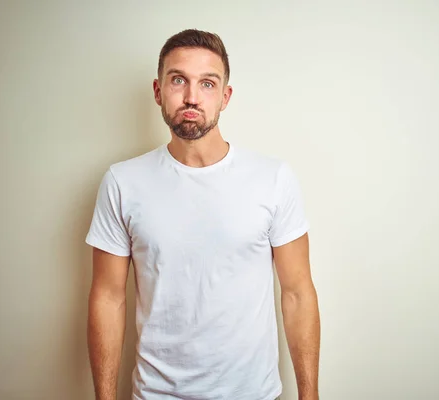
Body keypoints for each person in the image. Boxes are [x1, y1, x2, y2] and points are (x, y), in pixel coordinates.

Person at [85, 29, 320, 400]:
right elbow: (107, 298)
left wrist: (310, 396)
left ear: (225, 97)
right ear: (158, 91)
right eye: (178, 80)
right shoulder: (122, 182)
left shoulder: (272, 178)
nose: (192, 97)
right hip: (157, 394)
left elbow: (297, 293)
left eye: (207, 84)